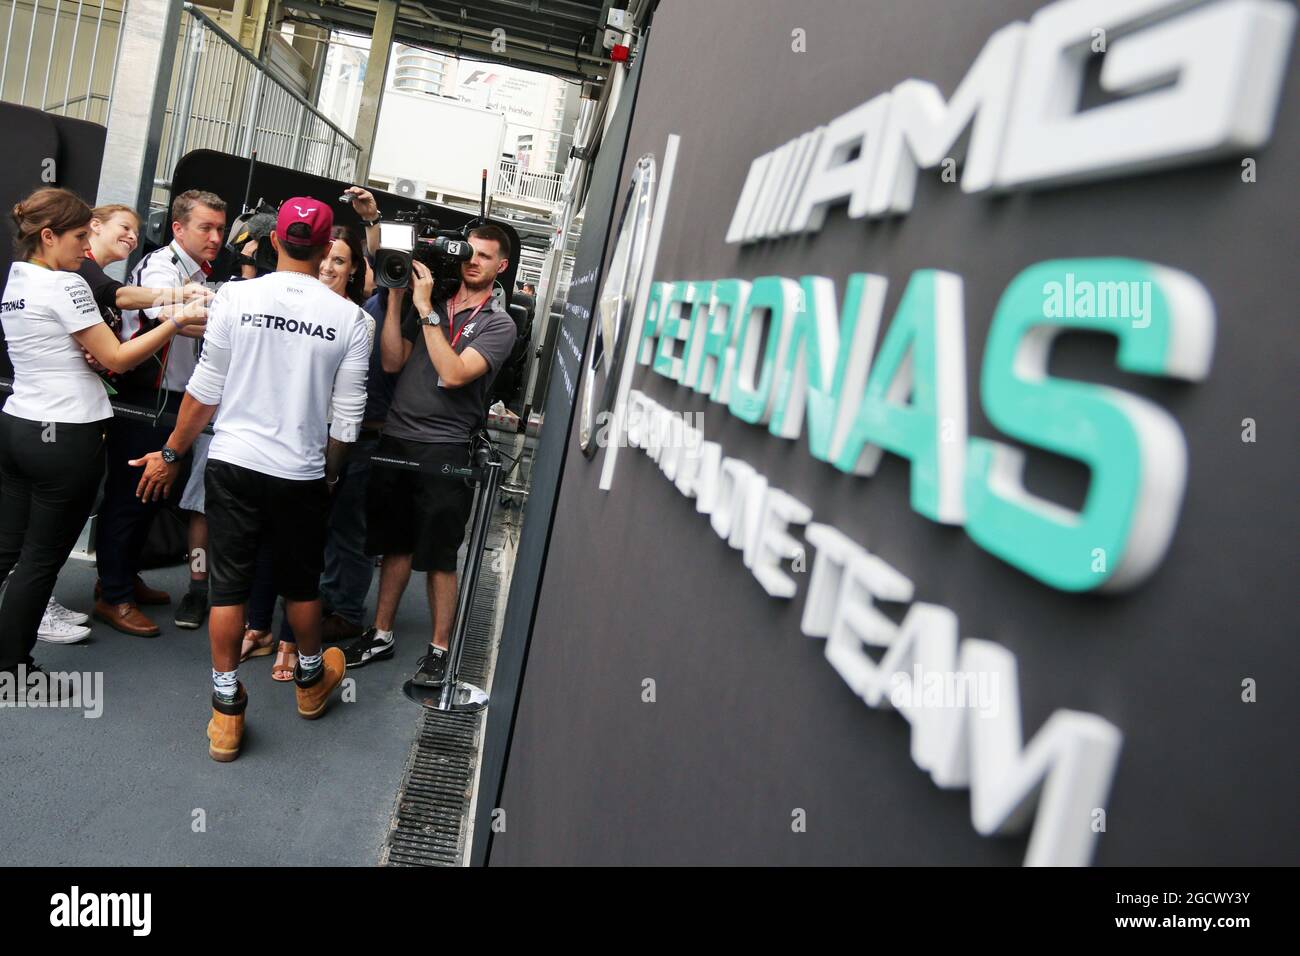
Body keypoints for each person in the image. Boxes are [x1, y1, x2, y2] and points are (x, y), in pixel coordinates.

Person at [130, 197, 370, 761]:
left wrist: (170, 451)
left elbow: (205, 390)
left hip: (233, 462)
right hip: (301, 471)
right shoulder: (351, 319)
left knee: (228, 587)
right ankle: (310, 684)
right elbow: (349, 416)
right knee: (303, 583)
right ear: (323, 249)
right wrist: (330, 475)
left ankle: (226, 711)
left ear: (276, 242)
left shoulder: (237, 296)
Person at [0, 189, 204, 693]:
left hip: (17, 425)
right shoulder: (66, 285)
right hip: (65, 437)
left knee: (7, 552)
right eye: (77, 237)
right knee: (40, 561)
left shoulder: (17, 281)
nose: (83, 246)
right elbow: (117, 357)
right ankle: (11, 670)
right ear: (48, 237)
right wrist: (177, 319)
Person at [342, 225, 517, 686]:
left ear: (500, 267)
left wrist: (424, 311)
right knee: (394, 543)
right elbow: (393, 363)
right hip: (399, 436)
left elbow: (455, 372)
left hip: (447, 445)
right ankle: (380, 634)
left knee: (439, 555)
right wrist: (399, 297)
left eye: (484, 256)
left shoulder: (500, 324)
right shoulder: (435, 306)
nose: (472, 261)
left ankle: (440, 648)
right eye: (468, 253)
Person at [241, 224, 390, 680]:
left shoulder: (358, 320)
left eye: (340, 261)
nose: (328, 267)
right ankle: (259, 626)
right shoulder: (284, 302)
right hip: (284, 437)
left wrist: (331, 464)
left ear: (353, 270)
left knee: (310, 544)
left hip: (334, 444)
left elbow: (350, 397)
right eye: (327, 259)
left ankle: (291, 637)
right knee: (269, 535)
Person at [93, 189, 225, 636]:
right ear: (178, 228)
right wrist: (227, 313)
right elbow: (178, 317)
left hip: (175, 401)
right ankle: (112, 595)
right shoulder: (161, 267)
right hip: (146, 397)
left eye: (220, 229)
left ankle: (123, 579)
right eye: (205, 227)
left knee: (152, 497)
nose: (215, 237)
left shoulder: (201, 271)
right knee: (130, 497)